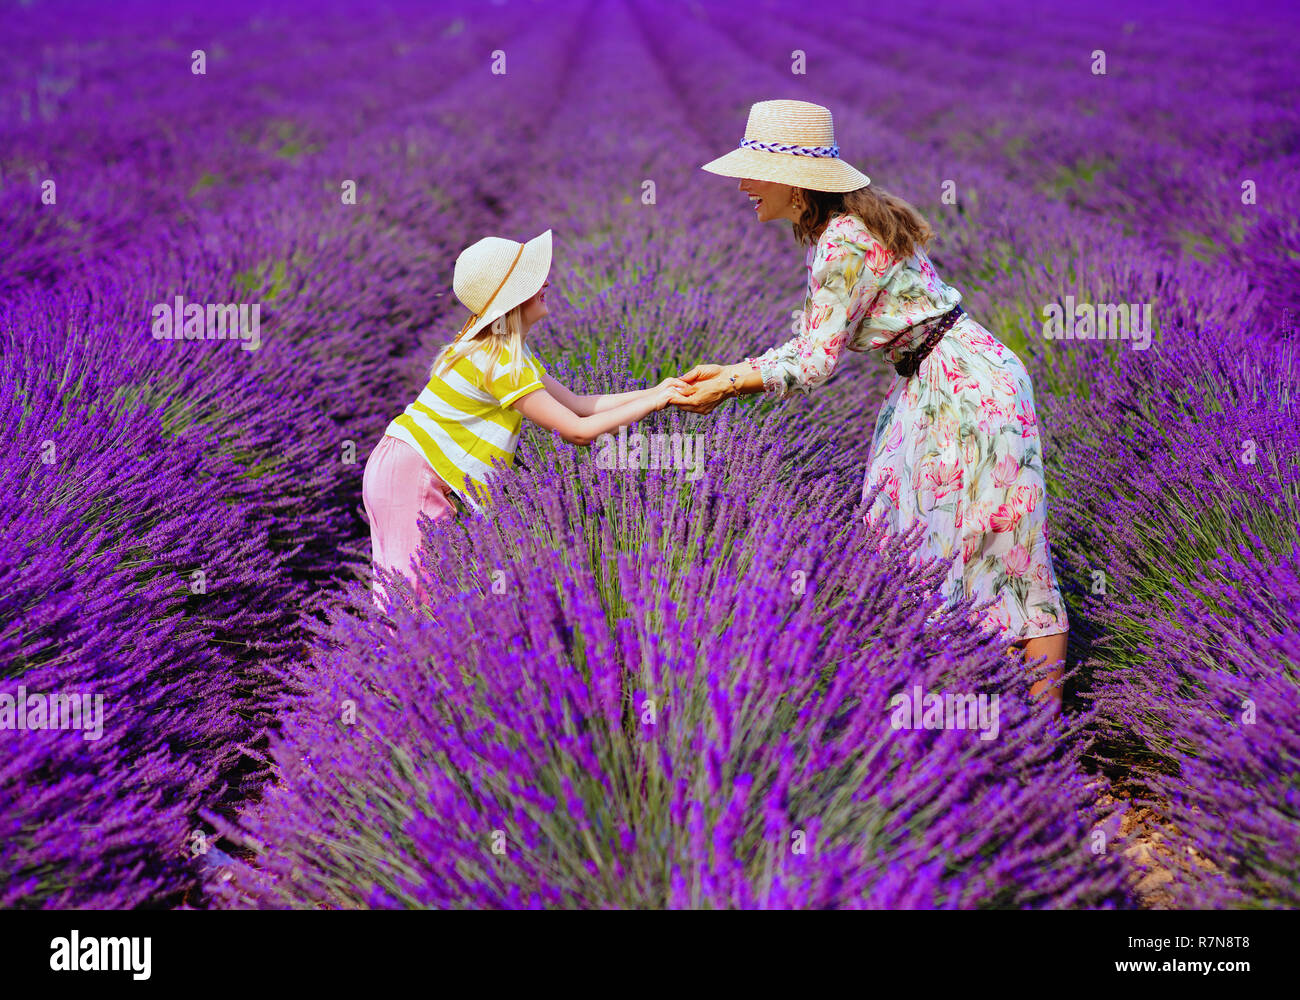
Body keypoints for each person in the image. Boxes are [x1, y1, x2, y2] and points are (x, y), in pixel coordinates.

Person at [678, 100, 1070, 712]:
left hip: (967, 393)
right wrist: (733, 372)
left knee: (1007, 557)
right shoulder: (843, 228)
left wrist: (731, 382)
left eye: (753, 170)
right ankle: (964, 707)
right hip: (936, 384)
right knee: (912, 545)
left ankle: (1040, 737)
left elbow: (814, 361)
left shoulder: (843, 240)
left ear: (793, 181)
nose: (742, 184)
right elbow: (815, 343)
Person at [363, 229, 689, 605]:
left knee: (424, 591)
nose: (546, 281)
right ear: (512, 299)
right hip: (409, 473)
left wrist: (660, 391)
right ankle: (394, 663)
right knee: (414, 598)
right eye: (534, 280)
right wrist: (657, 402)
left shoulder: (508, 350)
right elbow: (579, 431)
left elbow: (578, 404)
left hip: (406, 463)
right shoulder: (499, 361)